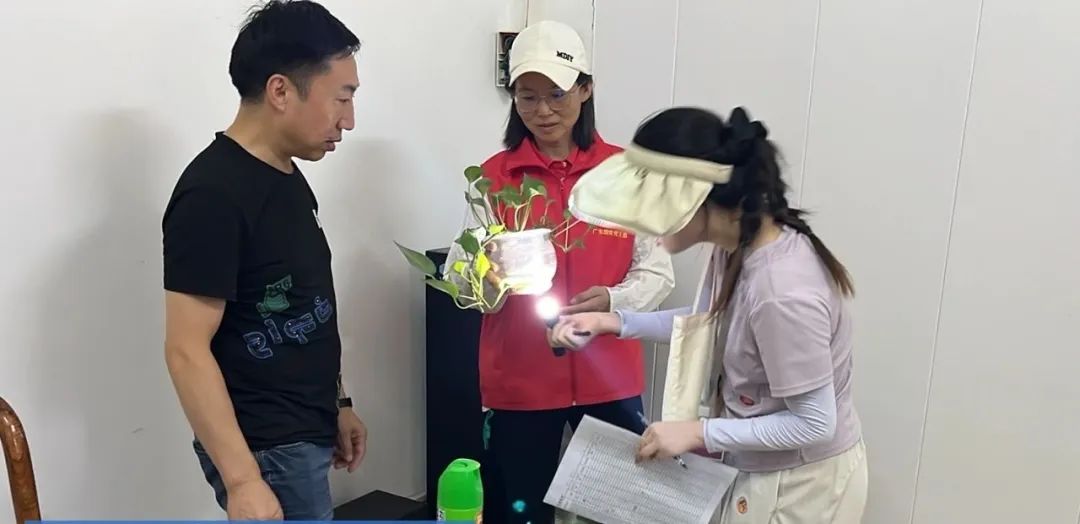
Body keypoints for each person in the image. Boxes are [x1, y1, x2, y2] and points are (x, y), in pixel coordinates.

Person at [551, 106, 868, 523]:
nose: (645, 226)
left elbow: (814, 423)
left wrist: (696, 433)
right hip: (759, 468)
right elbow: (714, 321)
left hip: (801, 485)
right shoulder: (737, 244)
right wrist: (613, 321)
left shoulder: (782, 291)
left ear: (692, 198)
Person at [161, 1, 367, 520]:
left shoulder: (287, 175)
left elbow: (305, 302)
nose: (348, 120)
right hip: (266, 450)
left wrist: (337, 404)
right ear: (280, 91)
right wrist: (243, 480)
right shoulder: (212, 195)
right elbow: (185, 349)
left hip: (304, 432)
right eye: (341, 98)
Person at [469, 20, 675, 524]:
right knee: (521, 512)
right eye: (527, 96)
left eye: (557, 94)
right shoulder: (493, 178)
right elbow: (466, 274)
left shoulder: (627, 175)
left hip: (610, 380)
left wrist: (612, 300)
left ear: (586, 89)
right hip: (520, 382)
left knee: (618, 512)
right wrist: (485, 279)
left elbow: (657, 273)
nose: (542, 111)